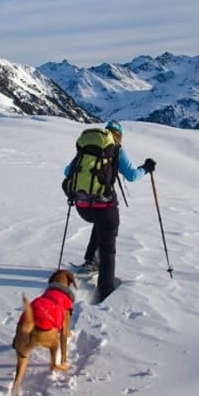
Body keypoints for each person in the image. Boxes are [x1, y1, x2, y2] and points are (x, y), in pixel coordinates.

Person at [66, 120, 156, 302]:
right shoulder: (116, 149)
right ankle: (105, 291)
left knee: (99, 226)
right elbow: (131, 175)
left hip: (82, 206)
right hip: (104, 206)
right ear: (118, 136)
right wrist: (146, 168)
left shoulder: (86, 148)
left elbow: (67, 171)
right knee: (108, 248)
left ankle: (90, 261)